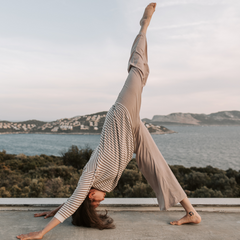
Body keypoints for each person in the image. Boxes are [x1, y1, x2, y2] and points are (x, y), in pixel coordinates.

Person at [17, 3, 201, 239]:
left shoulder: (90, 177)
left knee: (138, 71)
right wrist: (59, 208)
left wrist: (42, 233)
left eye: (94, 204)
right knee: (157, 166)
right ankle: (191, 212)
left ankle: (144, 26)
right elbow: (75, 202)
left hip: (121, 118)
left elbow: (75, 199)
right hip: (131, 133)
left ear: (90, 195)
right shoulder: (103, 186)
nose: (100, 203)